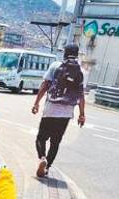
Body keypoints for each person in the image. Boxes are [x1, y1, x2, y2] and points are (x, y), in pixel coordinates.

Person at [31, 44, 87, 178]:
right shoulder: (82, 72)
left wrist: (36, 103)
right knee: (55, 142)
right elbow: (81, 95)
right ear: (77, 54)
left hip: (51, 109)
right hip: (66, 113)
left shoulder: (55, 66)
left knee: (41, 138)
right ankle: (47, 167)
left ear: (65, 53)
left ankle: (42, 158)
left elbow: (45, 85)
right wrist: (82, 115)